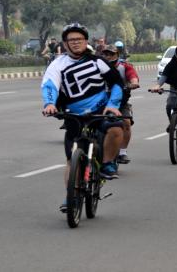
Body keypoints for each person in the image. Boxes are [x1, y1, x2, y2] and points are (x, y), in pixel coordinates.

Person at [41, 23, 125, 212]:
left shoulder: (98, 61)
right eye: (71, 40)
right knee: (72, 159)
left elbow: (117, 83)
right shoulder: (58, 65)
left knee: (116, 129)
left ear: (86, 41)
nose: (76, 43)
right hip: (74, 116)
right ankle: (70, 197)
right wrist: (49, 104)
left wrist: (112, 105)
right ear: (65, 43)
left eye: (79, 39)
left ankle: (107, 164)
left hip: (100, 112)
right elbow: (49, 86)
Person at [102, 44, 140, 164]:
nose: (108, 56)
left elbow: (133, 77)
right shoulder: (96, 66)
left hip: (120, 104)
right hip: (100, 103)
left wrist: (133, 83)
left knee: (126, 123)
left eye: (111, 54)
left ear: (117, 55)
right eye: (106, 54)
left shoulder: (125, 66)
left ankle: (122, 152)